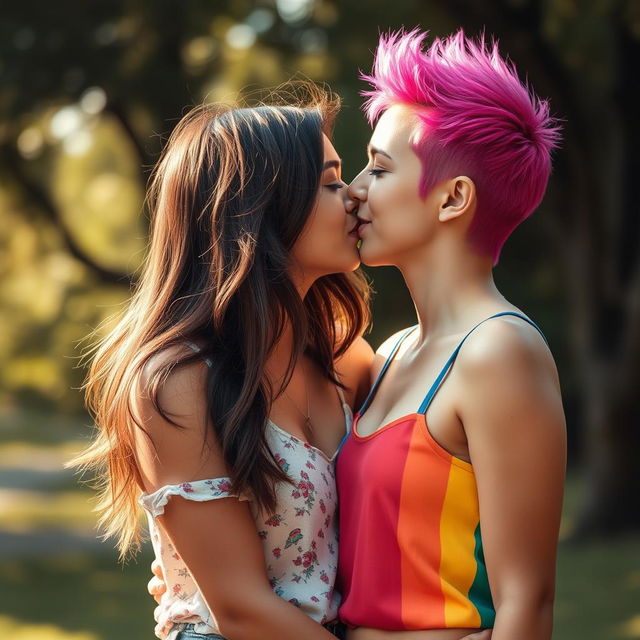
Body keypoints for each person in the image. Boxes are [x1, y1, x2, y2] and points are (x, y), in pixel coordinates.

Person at [70, 85, 376, 640]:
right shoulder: (177, 381)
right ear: (263, 209)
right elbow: (239, 608)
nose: (355, 195)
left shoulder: (345, 358)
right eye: (331, 183)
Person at [336, 29, 566, 640]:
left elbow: (527, 603)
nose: (355, 190)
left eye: (379, 170)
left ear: (452, 198)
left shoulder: (500, 352)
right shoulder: (385, 355)